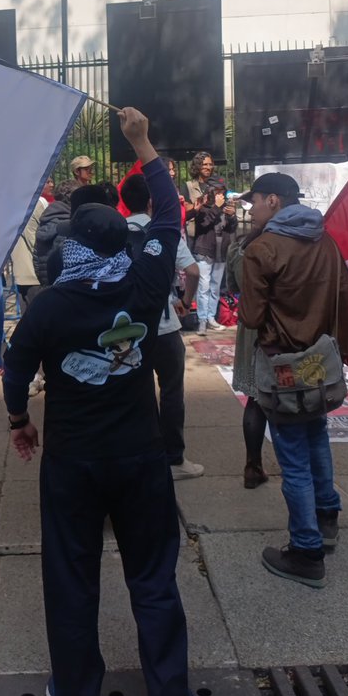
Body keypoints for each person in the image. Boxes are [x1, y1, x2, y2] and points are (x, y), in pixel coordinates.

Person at [3, 108, 197, 696]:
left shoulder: (51, 307)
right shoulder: (145, 283)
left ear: (72, 247)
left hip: (73, 462)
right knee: (153, 577)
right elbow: (169, 217)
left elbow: (14, 370)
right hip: (140, 457)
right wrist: (142, 143)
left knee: (71, 579)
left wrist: (18, 421)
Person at [238, 172, 348, 589]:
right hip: (322, 361)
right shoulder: (325, 240)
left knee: (293, 458)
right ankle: (327, 520)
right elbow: (347, 300)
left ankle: (306, 551)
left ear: (273, 200)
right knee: (317, 438)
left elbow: (251, 318)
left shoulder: (263, 249)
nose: (250, 209)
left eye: (254, 201)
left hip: (283, 364)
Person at [122, 169, 204, 480]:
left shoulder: (117, 230)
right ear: (153, 201)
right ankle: (175, 459)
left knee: (136, 393)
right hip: (165, 325)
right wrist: (184, 299)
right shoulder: (164, 232)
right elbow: (193, 271)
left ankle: (142, 455)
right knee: (171, 392)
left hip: (129, 328)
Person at [225, 231, 269, 489]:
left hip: (250, 325)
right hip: (282, 327)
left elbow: (232, 287)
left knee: (255, 398)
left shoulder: (240, 245)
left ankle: (252, 465)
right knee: (283, 398)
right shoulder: (287, 245)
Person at [193, 181, 237, 333]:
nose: (220, 195)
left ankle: (211, 318)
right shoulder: (203, 208)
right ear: (211, 193)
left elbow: (232, 228)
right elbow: (204, 224)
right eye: (217, 192)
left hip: (220, 252)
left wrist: (232, 217)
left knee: (215, 287)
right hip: (205, 251)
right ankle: (202, 321)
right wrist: (217, 207)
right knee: (203, 287)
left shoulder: (225, 209)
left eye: (222, 193)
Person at [179, 150, 214, 247]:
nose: (208, 167)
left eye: (210, 164)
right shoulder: (188, 186)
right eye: (205, 164)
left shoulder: (215, 185)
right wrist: (200, 202)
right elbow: (184, 208)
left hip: (212, 233)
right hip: (194, 235)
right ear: (197, 166)